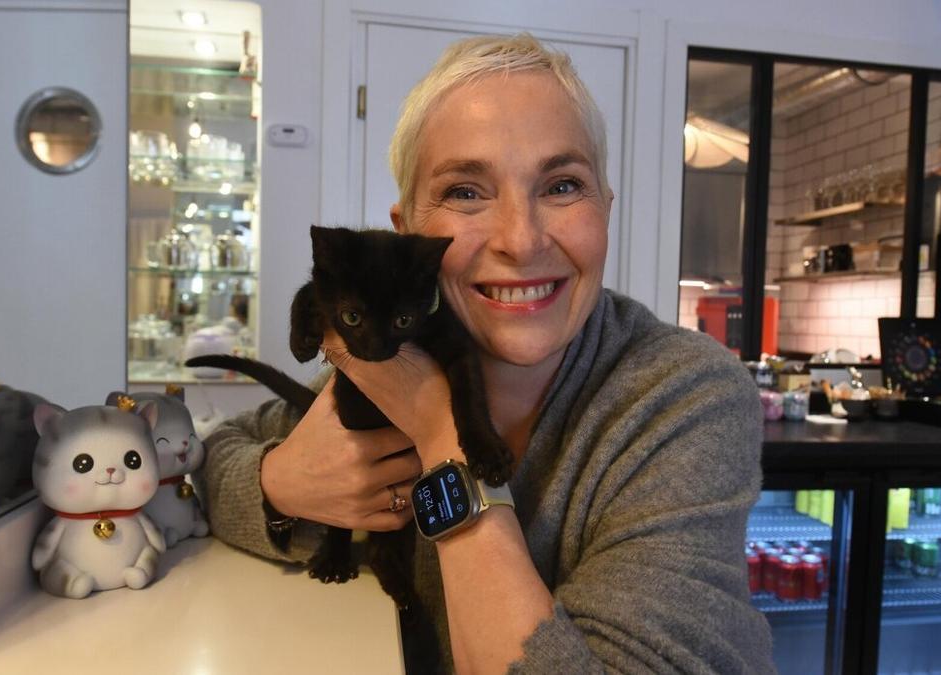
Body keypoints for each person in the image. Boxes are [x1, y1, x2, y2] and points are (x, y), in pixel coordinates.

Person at [196, 33, 775, 674]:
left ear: (605, 212)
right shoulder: (394, 358)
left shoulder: (681, 397)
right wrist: (282, 486)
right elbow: (214, 462)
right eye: (467, 192)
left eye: (561, 185)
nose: (521, 241)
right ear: (407, 234)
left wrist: (444, 436)